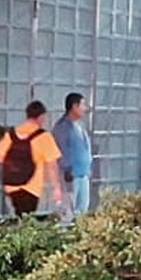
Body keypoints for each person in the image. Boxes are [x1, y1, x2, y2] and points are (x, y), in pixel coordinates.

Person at [0, 99, 63, 217]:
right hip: (31, 187)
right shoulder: (44, 137)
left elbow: (0, 155)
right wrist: (56, 187)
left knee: (17, 215)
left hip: (11, 185)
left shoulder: (11, 134)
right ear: (41, 117)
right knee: (27, 219)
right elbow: (52, 165)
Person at [51, 92, 92, 221]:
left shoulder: (80, 126)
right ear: (74, 106)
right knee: (68, 211)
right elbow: (60, 150)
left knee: (82, 211)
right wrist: (67, 168)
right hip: (70, 176)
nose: (85, 108)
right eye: (82, 104)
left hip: (83, 173)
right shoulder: (62, 127)